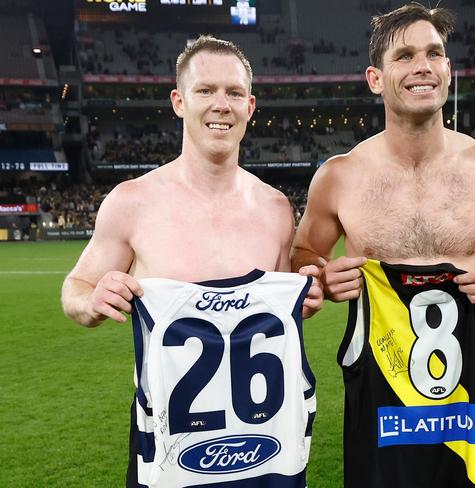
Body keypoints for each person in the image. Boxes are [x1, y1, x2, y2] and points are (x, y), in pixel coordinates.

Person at [291, 4, 475, 488]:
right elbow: (303, 256)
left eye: (435, 53)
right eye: (405, 55)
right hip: (381, 383)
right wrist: (319, 278)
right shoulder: (339, 177)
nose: (422, 66)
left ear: (449, 69)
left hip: (474, 377)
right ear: (375, 77)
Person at [61, 35, 322, 488]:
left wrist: (306, 300)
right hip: (167, 449)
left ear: (250, 106)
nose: (221, 104)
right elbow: (76, 290)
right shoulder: (131, 202)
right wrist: (92, 298)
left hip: (263, 444)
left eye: (234, 93)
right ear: (179, 102)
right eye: (206, 91)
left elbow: (280, 318)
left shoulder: (277, 209)